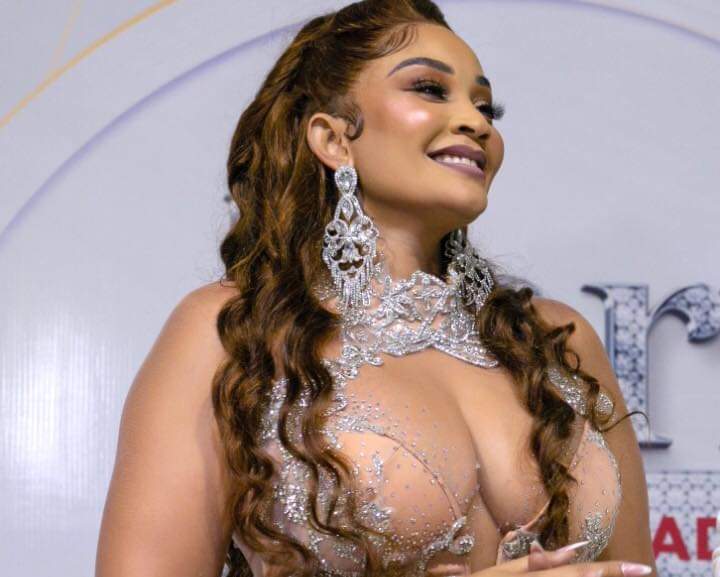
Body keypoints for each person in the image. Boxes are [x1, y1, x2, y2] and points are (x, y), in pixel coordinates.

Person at [95, 1, 657, 576]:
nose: (477, 122)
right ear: (333, 139)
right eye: (430, 89)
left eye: (487, 106)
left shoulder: (559, 342)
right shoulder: (232, 331)